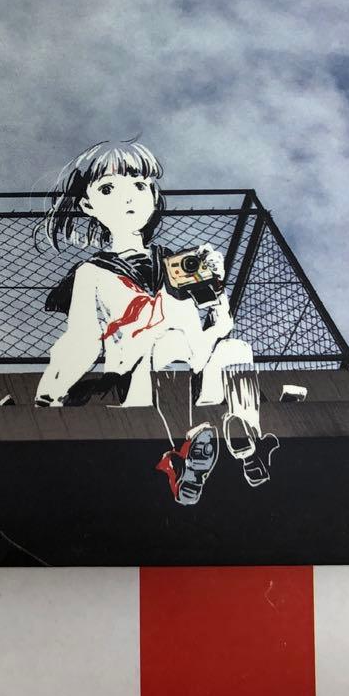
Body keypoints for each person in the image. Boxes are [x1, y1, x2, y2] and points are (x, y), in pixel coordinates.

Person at [33, 139, 278, 504]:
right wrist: (51, 392)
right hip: (139, 376)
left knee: (236, 348)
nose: (128, 197)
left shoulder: (179, 263)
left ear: (152, 194)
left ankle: (246, 446)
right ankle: (186, 454)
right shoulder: (92, 273)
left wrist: (217, 293)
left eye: (139, 185)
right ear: (87, 205)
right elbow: (82, 340)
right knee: (166, 341)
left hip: (195, 371)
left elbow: (219, 325)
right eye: (108, 189)